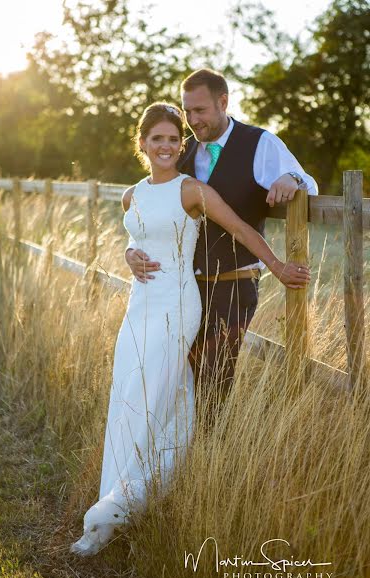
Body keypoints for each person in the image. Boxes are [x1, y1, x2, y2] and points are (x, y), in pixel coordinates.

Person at [69, 102, 310, 556]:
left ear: (181, 146)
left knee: (157, 395)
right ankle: (117, 497)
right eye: (156, 138)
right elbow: (137, 237)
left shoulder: (193, 191)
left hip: (177, 305)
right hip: (139, 305)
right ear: (142, 144)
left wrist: (278, 266)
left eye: (172, 139)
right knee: (128, 394)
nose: (165, 146)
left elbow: (239, 228)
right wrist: (128, 255)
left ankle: (117, 510)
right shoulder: (132, 195)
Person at [125, 69, 318, 396]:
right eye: (187, 111)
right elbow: (154, 209)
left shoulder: (259, 143)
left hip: (233, 284)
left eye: (200, 110)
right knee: (179, 378)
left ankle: (209, 445)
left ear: (223, 102)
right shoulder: (183, 150)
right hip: (183, 289)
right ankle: (183, 445)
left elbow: (306, 182)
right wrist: (131, 253)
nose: (192, 119)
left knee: (214, 378)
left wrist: (292, 180)